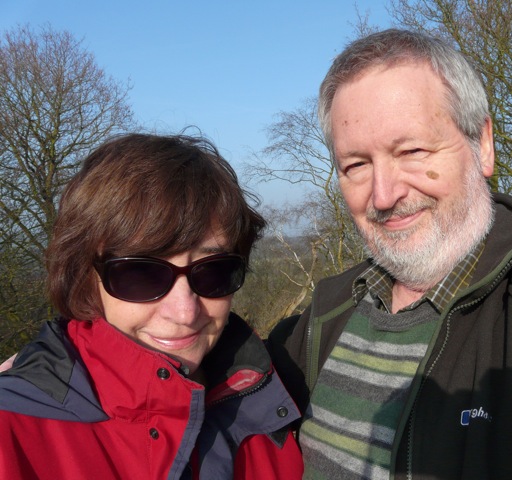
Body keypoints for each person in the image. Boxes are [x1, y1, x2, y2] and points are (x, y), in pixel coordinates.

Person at [268, 29, 512, 479]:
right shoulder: (322, 315)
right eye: (357, 165)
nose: (383, 195)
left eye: (412, 150)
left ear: (482, 145)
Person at [0, 133, 303, 479]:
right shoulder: (12, 434)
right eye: (141, 274)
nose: (185, 311)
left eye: (213, 271)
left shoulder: (278, 407)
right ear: (85, 276)